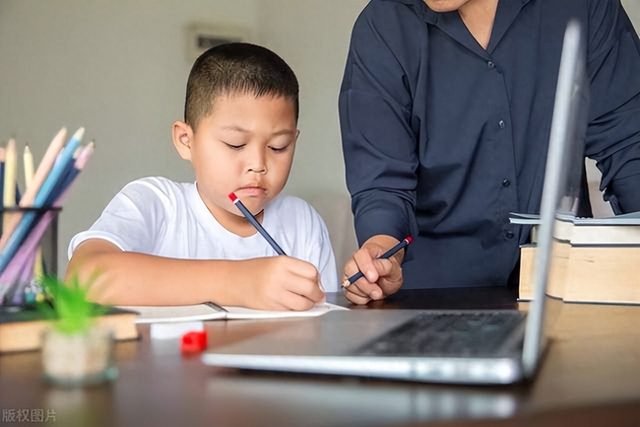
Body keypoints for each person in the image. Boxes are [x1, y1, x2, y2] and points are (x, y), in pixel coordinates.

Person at [339, 0, 640, 304]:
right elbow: (382, 183)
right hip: (430, 301)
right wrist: (381, 249)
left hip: (564, 290)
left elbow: (629, 144)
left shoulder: (584, 6)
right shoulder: (381, 27)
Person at [66, 43, 338, 310]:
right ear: (186, 141)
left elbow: (325, 324)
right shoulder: (157, 204)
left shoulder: (303, 224)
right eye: (235, 144)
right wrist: (240, 282)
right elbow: (84, 279)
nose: (258, 164)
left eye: (278, 146)